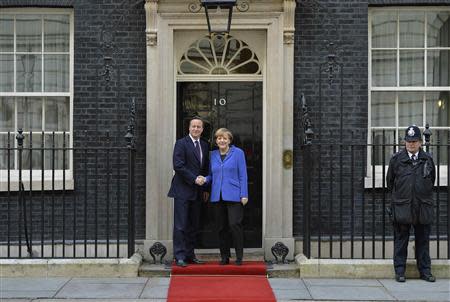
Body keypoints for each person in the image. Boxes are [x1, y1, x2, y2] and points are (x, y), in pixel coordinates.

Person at [386, 125, 436, 283]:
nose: (411, 144)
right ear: (404, 142)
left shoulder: (427, 159)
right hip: (403, 206)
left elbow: (431, 180)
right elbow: (390, 182)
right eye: (409, 141)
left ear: (421, 142)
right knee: (401, 241)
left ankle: (425, 272)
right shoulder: (396, 160)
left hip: (422, 206)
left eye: (414, 141)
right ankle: (400, 272)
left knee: (423, 241)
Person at [168, 117, 209, 267]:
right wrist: (194, 179)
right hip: (183, 190)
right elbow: (178, 165)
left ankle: (190, 255)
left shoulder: (204, 145)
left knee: (193, 225)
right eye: (194, 126)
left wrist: (205, 188)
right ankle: (179, 256)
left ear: (202, 129)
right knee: (180, 225)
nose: (196, 129)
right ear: (189, 128)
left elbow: (204, 169)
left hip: (198, 192)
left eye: (199, 127)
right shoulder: (181, 143)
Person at [203, 128, 248, 266]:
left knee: (234, 225)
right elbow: (211, 175)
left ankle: (239, 256)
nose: (221, 140)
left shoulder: (238, 153)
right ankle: (224, 256)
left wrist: (244, 194)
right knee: (221, 227)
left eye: (224, 138)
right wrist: (204, 180)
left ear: (229, 140)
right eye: (219, 138)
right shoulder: (213, 155)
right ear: (216, 141)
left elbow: (243, 175)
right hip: (217, 196)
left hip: (234, 195)